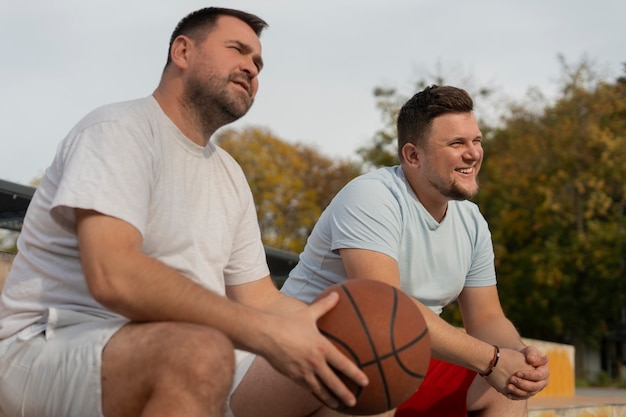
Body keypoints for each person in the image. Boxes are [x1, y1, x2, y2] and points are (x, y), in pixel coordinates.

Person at [0, 7, 368, 417]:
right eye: (237, 50)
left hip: (182, 350)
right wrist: (265, 333)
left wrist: (346, 334)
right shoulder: (118, 129)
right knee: (200, 351)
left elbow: (260, 298)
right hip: (49, 344)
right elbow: (113, 276)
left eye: (258, 62)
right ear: (182, 51)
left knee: (353, 380)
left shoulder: (229, 174)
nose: (251, 67)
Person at [230, 85, 550, 417]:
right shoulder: (372, 197)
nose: (473, 153)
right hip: (282, 370)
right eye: (457, 143)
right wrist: (490, 360)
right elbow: (387, 310)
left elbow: (487, 318)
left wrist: (517, 358)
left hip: (387, 365)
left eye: (476, 141)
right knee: (378, 349)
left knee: (507, 389)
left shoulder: (472, 222)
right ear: (412, 156)